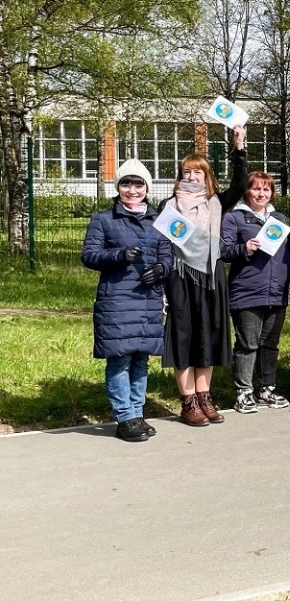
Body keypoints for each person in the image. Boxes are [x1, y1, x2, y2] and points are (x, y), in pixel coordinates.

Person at [162, 126, 247, 426]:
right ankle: (188, 402)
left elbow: (239, 185)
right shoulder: (168, 206)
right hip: (181, 277)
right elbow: (163, 246)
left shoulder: (217, 204)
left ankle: (205, 396)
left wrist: (239, 147)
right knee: (184, 336)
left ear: (207, 177)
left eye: (198, 173)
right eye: (187, 172)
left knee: (208, 335)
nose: (192, 177)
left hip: (211, 278)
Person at [81, 159, 172, 442]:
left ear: (147, 187)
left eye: (138, 184)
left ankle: (137, 412)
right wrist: (119, 255)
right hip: (117, 299)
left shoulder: (160, 221)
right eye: (126, 184)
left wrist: (162, 269)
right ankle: (125, 417)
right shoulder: (103, 219)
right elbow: (90, 255)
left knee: (141, 360)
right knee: (120, 360)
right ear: (118, 187)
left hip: (148, 299)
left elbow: (169, 256)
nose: (132, 190)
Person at [221, 171, 290, 414]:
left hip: (276, 291)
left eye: (266, 189)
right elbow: (223, 249)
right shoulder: (233, 218)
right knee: (248, 343)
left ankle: (268, 388)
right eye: (256, 188)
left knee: (270, 344)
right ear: (247, 191)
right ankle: (244, 392)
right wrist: (243, 249)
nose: (261, 193)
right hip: (247, 290)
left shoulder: (279, 218)